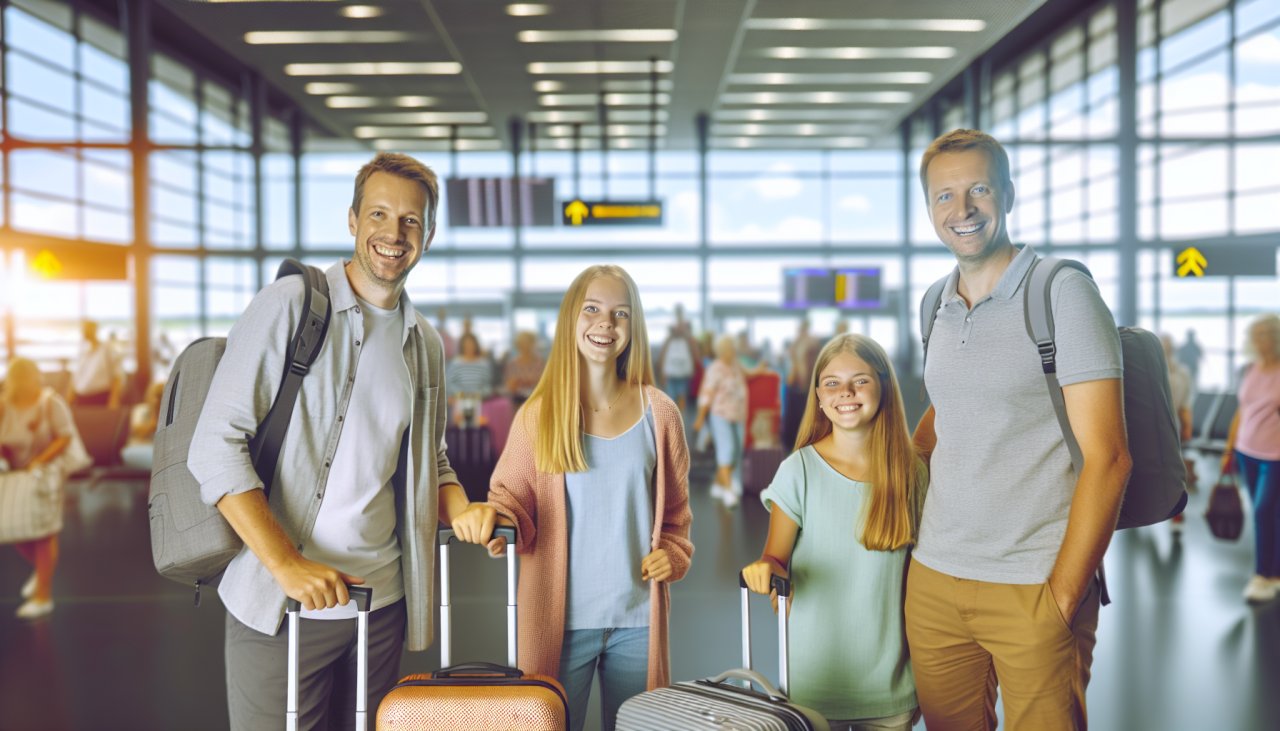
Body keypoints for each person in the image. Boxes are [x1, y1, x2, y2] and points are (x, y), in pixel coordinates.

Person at [188, 152, 495, 730]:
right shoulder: (289, 306)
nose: (393, 233)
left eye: (410, 220)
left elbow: (430, 460)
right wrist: (287, 564)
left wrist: (462, 510)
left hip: (380, 608)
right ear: (352, 220)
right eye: (378, 214)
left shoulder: (424, 343)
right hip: (281, 605)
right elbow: (215, 445)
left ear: (428, 236)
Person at [907, 129, 1132, 731]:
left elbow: (1110, 457)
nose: (962, 209)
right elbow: (945, 411)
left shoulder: (1061, 292)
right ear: (929, 208)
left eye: (979, 190)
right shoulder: (933, 303)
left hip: (1034, 580)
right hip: (934, 579)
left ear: (1007, 194)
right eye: (944, 196)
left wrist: (1063, 595)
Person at [455, 264, 694, 731]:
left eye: (620, 313)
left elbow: (675, 517)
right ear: (571, 319)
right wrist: (492, 518)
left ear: (634, 326)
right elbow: (510, 499)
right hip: (560, 623)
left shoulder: (660, 414)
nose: (606, 323)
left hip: (638, 621)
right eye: (592, 309)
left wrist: (672, 553)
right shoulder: (539, 416)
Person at [742, 334, 925, 731]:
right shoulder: (799, 470)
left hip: (890, 684)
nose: (846, 392)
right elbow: (775, 558)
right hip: (813, 686)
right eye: (832, 383)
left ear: (883, 388)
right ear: (819, 398)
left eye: (860, 380)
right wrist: (765, 568)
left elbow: (923, 579)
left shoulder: (911, 474)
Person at [0, 358, 82, 619]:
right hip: (17, 476)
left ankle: (43, 596)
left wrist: (39, 460)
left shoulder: (50, 403)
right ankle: (42, 571)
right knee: (17, 528)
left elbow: (65, 437)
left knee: (44, 532)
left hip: (46, 474)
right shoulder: (4, 405)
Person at [1220, 313, 1280, 603]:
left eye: (1265, 333)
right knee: (1270, 513)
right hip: (1246, 451)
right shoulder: (1248, 369)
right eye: (1255, 334)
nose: (1258, 339)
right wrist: (1229, 449)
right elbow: (1241, 411)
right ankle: (1275, 573)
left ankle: (1262, 575)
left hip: (1274, 456)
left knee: (1262, 510)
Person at [694, 334, 749, 508]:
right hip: (720, 415)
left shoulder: (735, 364)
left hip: (738, 415)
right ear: (722, 351)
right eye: (730, 348)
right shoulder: (715, 368)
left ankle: (718, 484)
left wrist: (761, 370)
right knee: (727, 450)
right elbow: (707, 394)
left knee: (737, 451)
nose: (733, 351)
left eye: (733, 348)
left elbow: (749, 373)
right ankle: (728, 491)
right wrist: (700, 418)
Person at [69, 320, 124, 407]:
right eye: (84, 329)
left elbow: (117, 375)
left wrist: (114, 399)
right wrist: (69, 400)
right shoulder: (83, 353)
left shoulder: (107, 349)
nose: (85, 332)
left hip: (100, 398)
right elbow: (76, 380)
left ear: (94, 330)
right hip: (81, 399)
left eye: (87, 329)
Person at [783, 320, 820, 451]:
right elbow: (793, 361)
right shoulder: (796, 343)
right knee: (794, 417)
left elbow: (811, 363)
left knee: (806, 414)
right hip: (795, 383)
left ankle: (806, 443)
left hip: (806, 384)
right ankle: (793, 445)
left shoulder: (812, 343)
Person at [656, 304, 698, 416]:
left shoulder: (687, 335)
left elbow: (694, 353)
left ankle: (680, 417)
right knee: (671, 398)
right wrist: (662, 372)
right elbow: (663, 355)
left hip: (683, 374)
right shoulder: (670, 337)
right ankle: (673, 417)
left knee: (682, 397)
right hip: (671, 374)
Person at [447, 332, 494, 426]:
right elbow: (448, 383)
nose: (469, 347)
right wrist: (459, 394)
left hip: (480, 403)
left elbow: (487, 386)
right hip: (459, 402)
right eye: (466, 344)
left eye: (471, 344)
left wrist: (480, 394)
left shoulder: (484, 364)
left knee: (478, 427)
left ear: (476, 345)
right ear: (462, 346)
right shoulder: (455, 363)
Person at [503, 330, 546, 409]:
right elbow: (510, 387)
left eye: (527, 343)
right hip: (518, 401)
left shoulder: (541, 363)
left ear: (533, 344)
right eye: (522, 344)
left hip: (537, 400)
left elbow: (544, 384)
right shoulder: (512, 364)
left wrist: (524, 381)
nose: (525, 347)